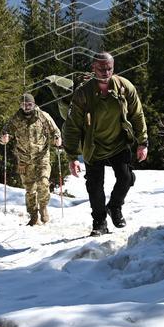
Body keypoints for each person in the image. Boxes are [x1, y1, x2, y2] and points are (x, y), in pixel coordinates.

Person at [62, 52, 148, 236]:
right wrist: (72, 156)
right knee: (94, 185)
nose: (105, 72)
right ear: (93, 67)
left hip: (118, 142)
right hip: (93, 146)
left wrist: (143, 142)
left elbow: (137, 115)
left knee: (126, 178)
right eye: (101, 68)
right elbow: (72, 126)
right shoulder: (83, 93)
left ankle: (115, 207)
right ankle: (99, 222)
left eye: (109, 68)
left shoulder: (125, 87)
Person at [0, 93, 61, 226]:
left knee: (43, 182)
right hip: (24, 159)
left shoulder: (43, 116)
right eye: (24, 104)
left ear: (33, 104)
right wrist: (4, 138)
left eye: (29, 104)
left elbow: (55, 130)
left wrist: (57, 138)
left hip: (41, 156)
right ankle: (33, 216)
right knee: (30, 190)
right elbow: (5, 132)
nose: (26, 107)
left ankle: (43, 207)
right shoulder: (15, 119)